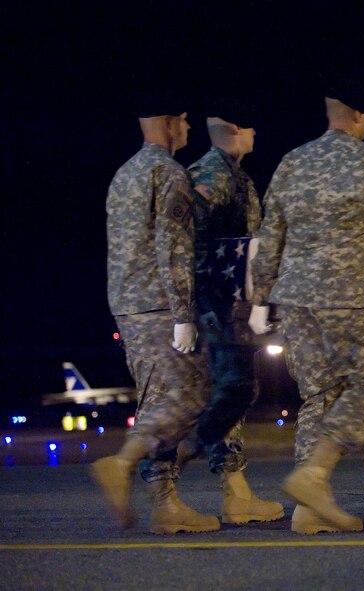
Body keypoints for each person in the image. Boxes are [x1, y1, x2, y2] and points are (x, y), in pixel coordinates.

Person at [249, 86, 364, 534]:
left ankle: (308, 509)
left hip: (294, 296)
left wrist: (263, 297)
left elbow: (271, 233)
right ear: (360, 114)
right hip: (348, 293)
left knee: (319, 395)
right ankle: (314, 476)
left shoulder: (292, 162)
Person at [91, 102, 219, 534]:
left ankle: (166, 506)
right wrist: (183, 314)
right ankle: (123, 461)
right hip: (160, 304)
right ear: (168, 124)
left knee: (158, 400)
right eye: (183, 120)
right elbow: (173, 248)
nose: (187, 127)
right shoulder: (169, 173)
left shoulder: (124, 174)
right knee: (193, 394)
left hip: (127, 302)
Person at [164, 112, 283, 524]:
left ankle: (235, 493)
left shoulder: (235, 177)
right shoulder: (209, 179)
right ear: (234, 130)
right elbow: (182, 246)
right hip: (212, 308)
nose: (255, 130)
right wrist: (188, 314)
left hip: (227, 307)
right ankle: (161, 478)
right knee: (221, 395)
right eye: (249, 125)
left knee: (232, 393)